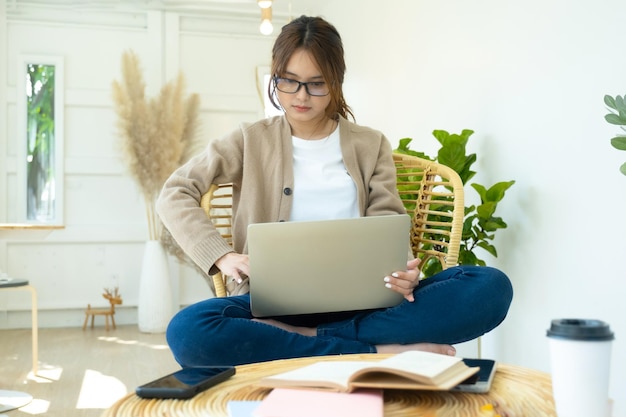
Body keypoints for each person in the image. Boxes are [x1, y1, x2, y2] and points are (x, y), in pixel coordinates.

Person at [156, 15, 513, 367]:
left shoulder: (370, 144)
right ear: (275, 76)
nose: (301, 96)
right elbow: (175, 192)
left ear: (336, 82)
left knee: (489, 287)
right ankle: (375, 350)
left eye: (316, 83)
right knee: (189, 331)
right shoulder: (249, 139)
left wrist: (403, 272)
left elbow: (387, 218)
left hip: (364, 302)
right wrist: (222, 256)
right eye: (288, 81)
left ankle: (310, 343)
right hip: (269, 304)